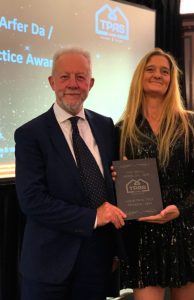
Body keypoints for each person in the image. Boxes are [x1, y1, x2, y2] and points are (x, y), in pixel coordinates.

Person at [15, 46, 126, 300]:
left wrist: (120, 178)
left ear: (91, 82)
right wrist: (93, 217)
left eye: (80, 77)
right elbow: (32, 200)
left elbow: (110, 180)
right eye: (65, 77)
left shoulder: (106, 126)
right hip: (48, 265)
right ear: (52, 82)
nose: (73, 84)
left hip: (97, 262)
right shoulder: (30, 134)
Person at [114, 48, 194, 300]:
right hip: (144, 233)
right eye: (151, 69)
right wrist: (116, 176)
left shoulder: (190, 122)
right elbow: (117, 179)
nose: (158, 75)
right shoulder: (122, 128)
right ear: (140, 76)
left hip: (185, 227)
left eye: (165, 71)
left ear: (172, 80)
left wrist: (179, 208)